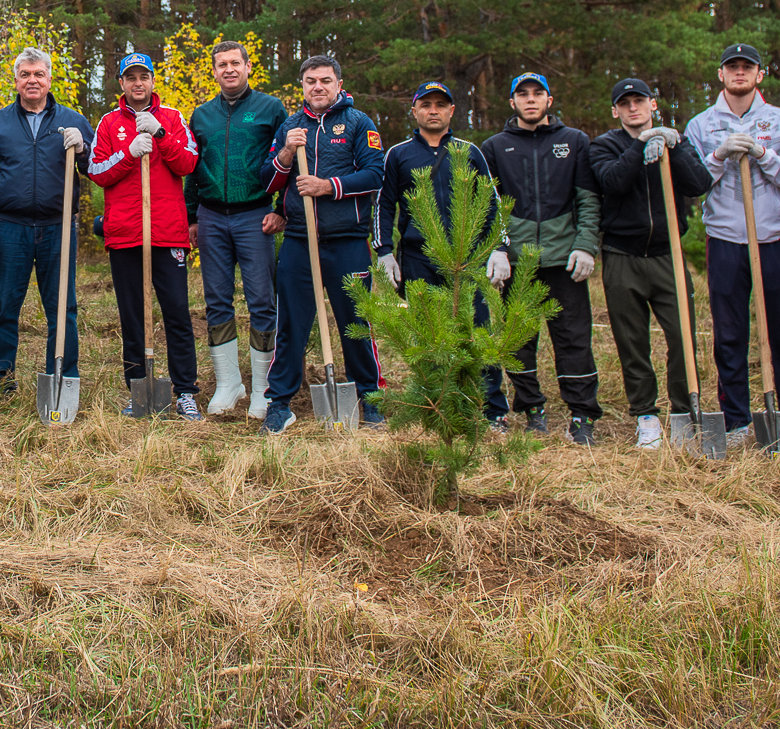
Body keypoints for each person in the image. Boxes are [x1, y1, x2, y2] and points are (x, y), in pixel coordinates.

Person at [683, 43, 780, 448]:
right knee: (729, 335)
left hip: (774, 238)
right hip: (725, 241)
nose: (739, 72)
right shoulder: (701, 125)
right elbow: (694, 182)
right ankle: (737, 422)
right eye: (732, 67)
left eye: (747, 67)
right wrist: (719, 155)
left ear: (760, 75)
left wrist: (763, 154)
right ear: (720, 75)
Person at [259, 56, 386, 436]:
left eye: (325, 81)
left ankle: (370, 399)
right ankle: (279, 402)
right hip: (300, 240)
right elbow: (267, 182)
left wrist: (326, 187)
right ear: (302, 86)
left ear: (339, 84)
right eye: (311, 81)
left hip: (347, 241)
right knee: (291, 324)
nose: (318, 87)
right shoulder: (290, 126)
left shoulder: (359, 123)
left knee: (356, 323)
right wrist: (284, 153)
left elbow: (375, 173)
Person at [375, 82, 513, 425]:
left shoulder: (470, 152)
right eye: (426, 104)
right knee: (428, 334)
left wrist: (498, 248)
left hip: (469, 259)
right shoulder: (398, 154)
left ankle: (492, 409)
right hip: (419, 257)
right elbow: (383, 205)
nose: (433, 110)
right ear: (415, 111)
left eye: (440, 104)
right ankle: (435, 403)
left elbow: (492, 203)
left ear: (452, 111)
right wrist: (384, 252)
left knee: (477, 332)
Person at [588, 78, 715, 449]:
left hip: (667, 254)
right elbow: (612, 182)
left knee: (682, 336)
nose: (633, 108)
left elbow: (699, 184)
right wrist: (641, 145)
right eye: (624, 103)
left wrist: (672, 148)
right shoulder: (604, 145)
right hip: (622, 256)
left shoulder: (676, 141)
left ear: (653, 104)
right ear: (616, 111)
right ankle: (646, 415)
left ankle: (682, 411)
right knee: (632, 340)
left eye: (639, 101)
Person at [480, 73, 604, 443]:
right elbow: (490, 206)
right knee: (520, 341)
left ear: (549, 101)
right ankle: (532, 408)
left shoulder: (574, 141)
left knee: (574, 339)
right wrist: (498, 250)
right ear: (512, 102)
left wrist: (585, 245)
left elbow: (588, 199)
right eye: (523, 95)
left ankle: (582, 415)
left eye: (538, 94)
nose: (530, 100)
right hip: (518, 264)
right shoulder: (495, 147)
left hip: (564, 260)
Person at [0, 48, 94, 398]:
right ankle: (0, 379)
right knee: (6, 305)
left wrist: (82, 148)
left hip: (58, 227)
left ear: (49, 79)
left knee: (62, 306)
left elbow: (95, 169)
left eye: (38, 74)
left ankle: (63, 376)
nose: (32, 80)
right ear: (16, 80)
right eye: (25, 74)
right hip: (10, 226)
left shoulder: (71, 119)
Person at [90, 52, 203, 420]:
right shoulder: (108, 123)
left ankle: (185, 390)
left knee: (177, 314)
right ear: (121, 83)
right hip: (125, 234)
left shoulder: (171, 118)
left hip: (167, 232)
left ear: (152, 81)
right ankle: (138, 389)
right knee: (132, 316)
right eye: (130, 77)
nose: (138, 83)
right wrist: (128, 152)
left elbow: (187, 162)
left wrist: (158, 133)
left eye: (144, 77)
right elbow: (97, 171)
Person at [185, 40, 288, 418]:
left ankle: (263, 386)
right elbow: (194, 170)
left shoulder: (271, 109)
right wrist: (192, 216)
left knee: (262, 300)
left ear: (247, 66)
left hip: (255, 215)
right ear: (214, 71)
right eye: (221, 64)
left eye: (235, 63)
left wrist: (282, 210)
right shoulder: (202, 115)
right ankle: (229, 383)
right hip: (212, 216)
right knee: (216, 299)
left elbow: (289, 162)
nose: (228, 69)